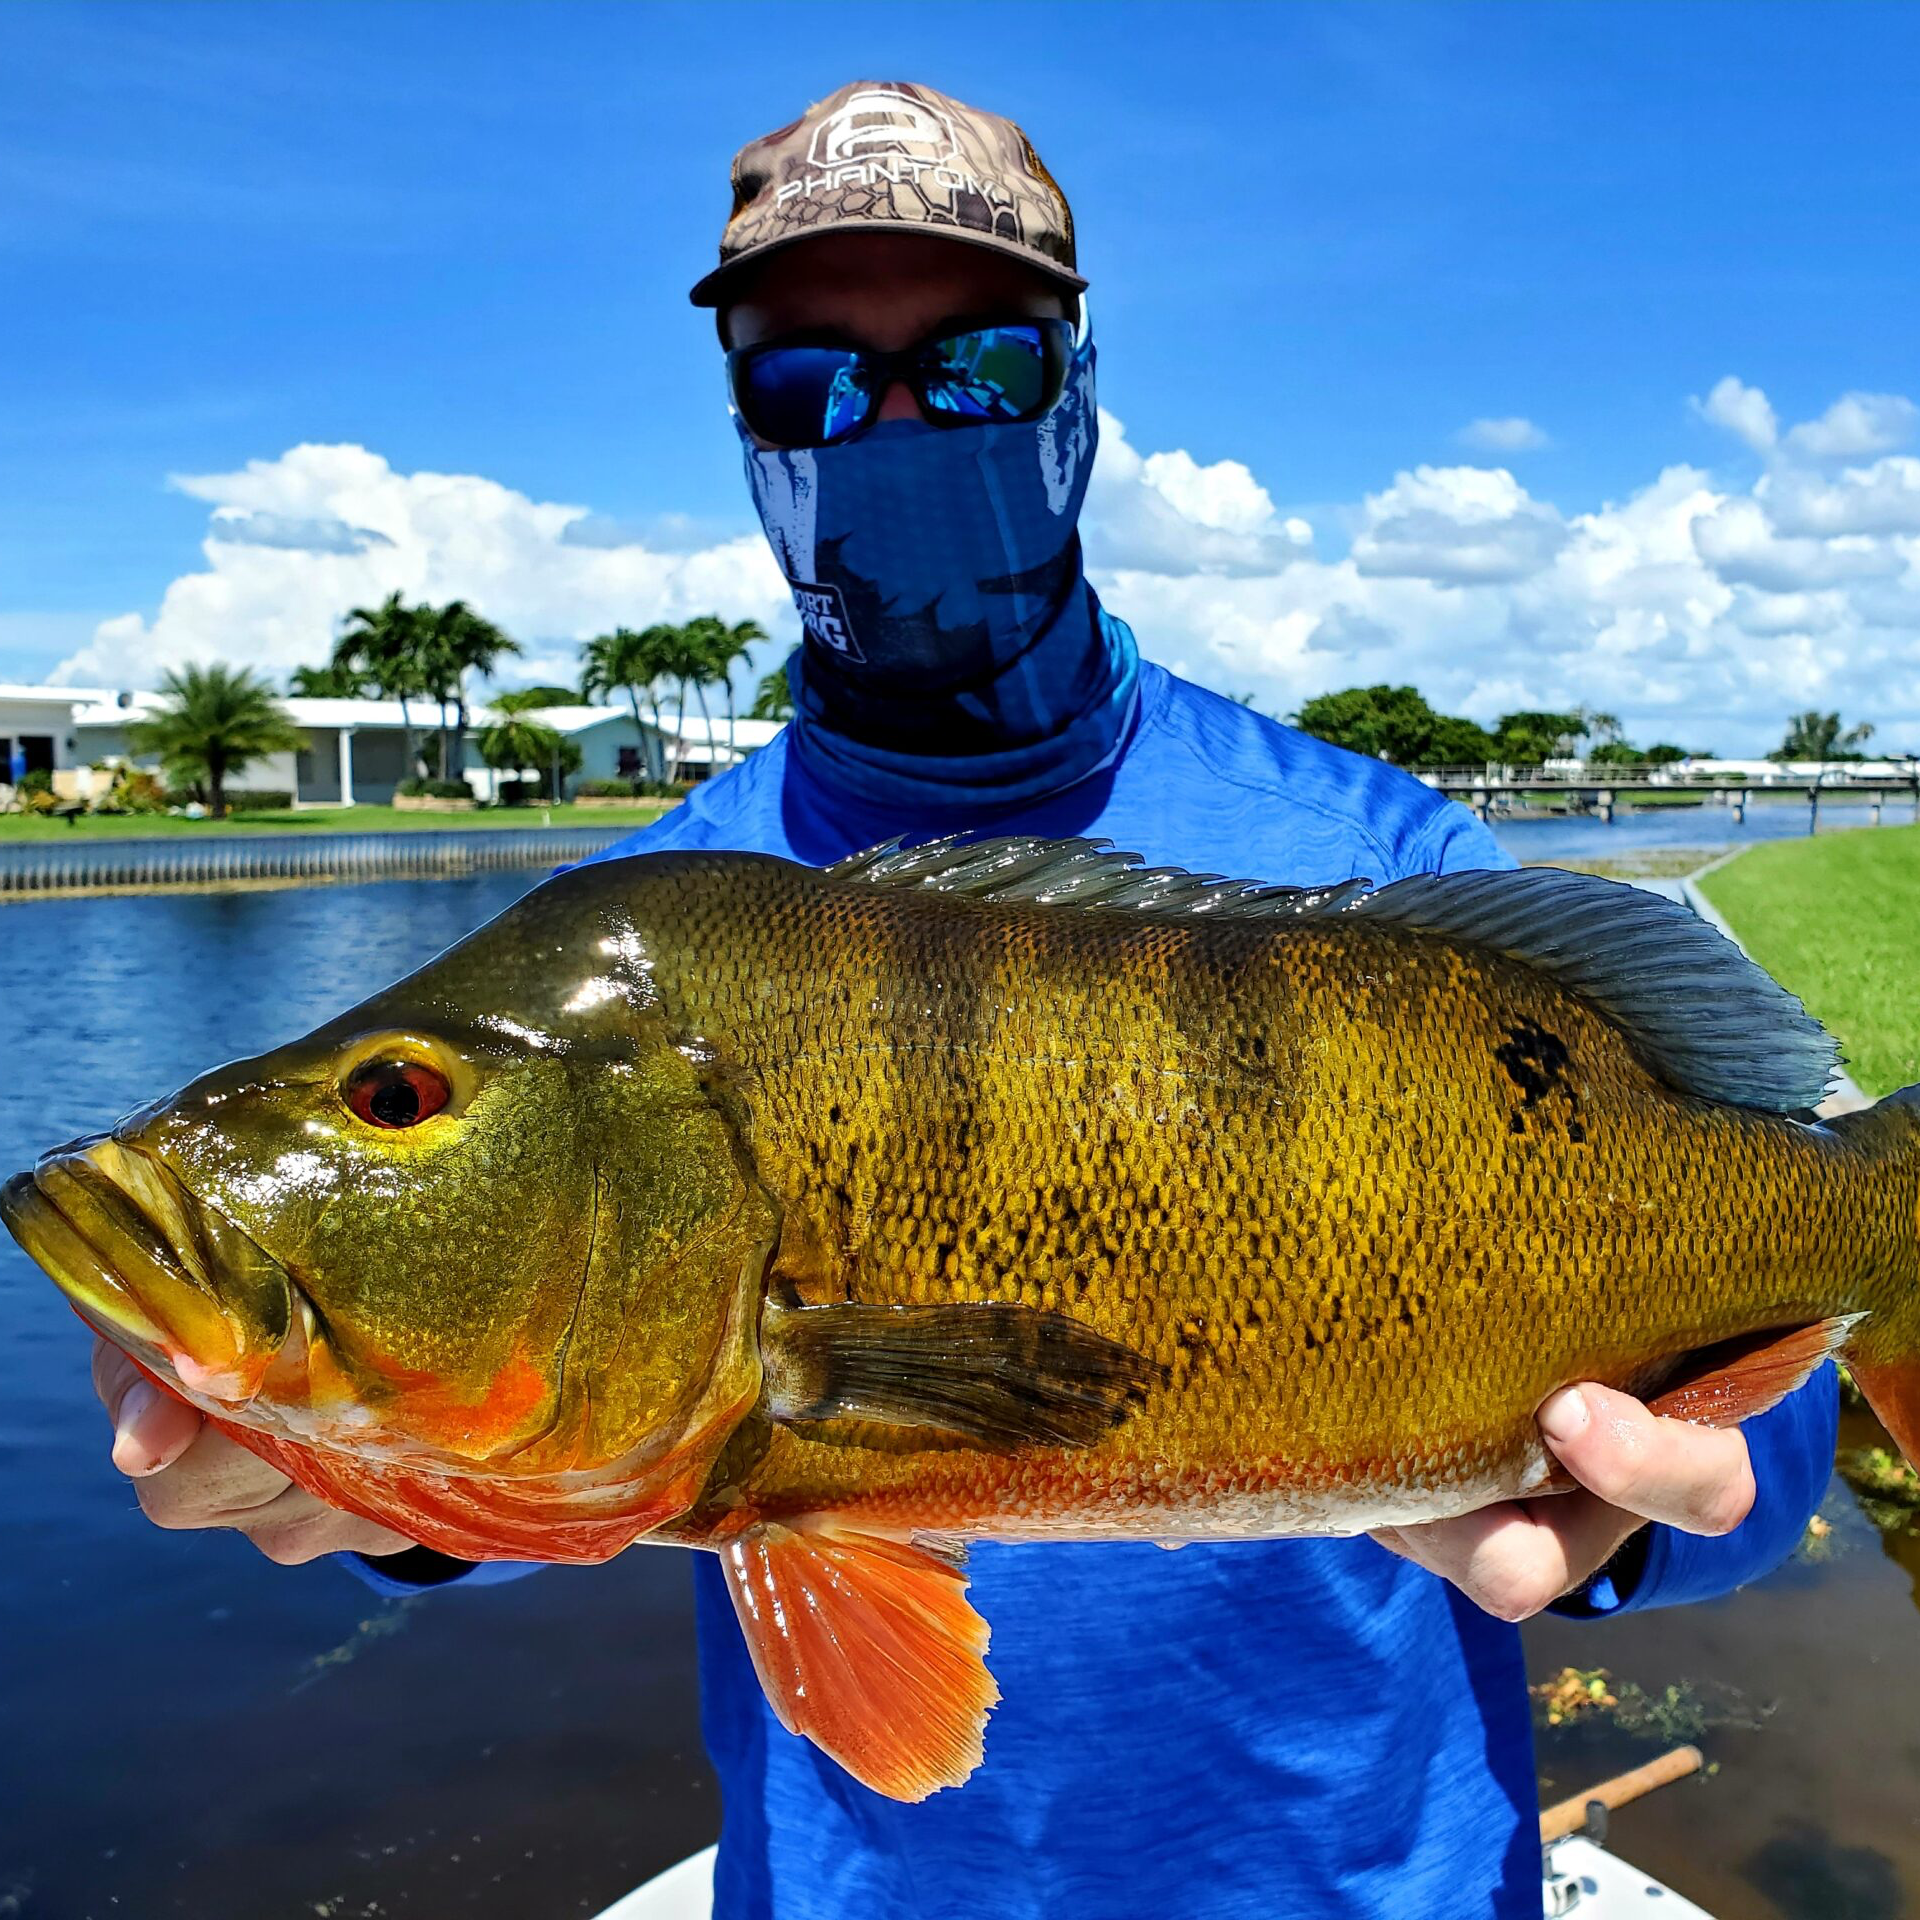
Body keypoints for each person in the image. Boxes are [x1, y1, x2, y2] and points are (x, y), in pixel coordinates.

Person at [94, 80, 1835, 1919]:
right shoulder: (637, 927)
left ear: (1076, 390)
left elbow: (1769, 1423)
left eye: (978, 364)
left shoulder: (1393, 858)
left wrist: (1641, 1515)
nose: (895, 424)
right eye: (808, 381)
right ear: (746, 427)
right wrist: (363, 1490)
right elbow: (589, 1412)